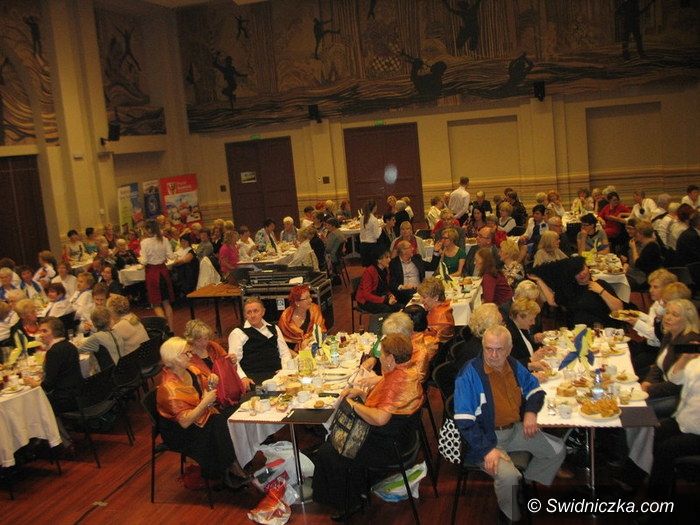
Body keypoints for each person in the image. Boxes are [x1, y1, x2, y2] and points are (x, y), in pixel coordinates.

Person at [454, 325, 565, 523]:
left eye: (499, 349)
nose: (493, 355)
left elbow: (535, 389)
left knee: (557, 450)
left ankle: (524, 483)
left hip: (513, 430)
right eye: (489, 349)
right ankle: (509, 515)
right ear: (483, 346)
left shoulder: (512, 365)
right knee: (509, 477)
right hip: (486, 439)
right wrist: (487, 450)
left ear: (509, 349)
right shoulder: (469, 374)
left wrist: (530, 412)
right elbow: (464, 422)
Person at [312, 333, 423, 520]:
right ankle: (359, 489)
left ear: (390, 358)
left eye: (382, 354)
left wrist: (353, 404)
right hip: (405, 436)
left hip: (389, 446)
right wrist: (362, 395)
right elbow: (388, 408)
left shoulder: (394, 382)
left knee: (329, 450)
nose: (380, 358)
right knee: (332, 444)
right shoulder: (407, 373)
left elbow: (380, 418)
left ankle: (349, 504)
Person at [156, 337, 245, 487]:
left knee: (228, 417)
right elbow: (185, 422)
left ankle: (230, 466)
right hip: (179, 432)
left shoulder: (190, 370)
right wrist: (205, 402)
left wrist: (211, 384)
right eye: (186, 353)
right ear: (174, 358)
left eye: (190, 352)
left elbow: (203, 393)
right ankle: (229, 468)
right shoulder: (168, 388)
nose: (191, 356)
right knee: (220, 425)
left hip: (199, 416)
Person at [641, 299, 699, 413]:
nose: (668, 318)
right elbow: (658, 365)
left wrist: (650, 389)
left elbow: (678, 383)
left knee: (638, 409)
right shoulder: (670, 334)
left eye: (675, 315)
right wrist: (648, 381)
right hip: (663, 386)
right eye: (667, 313)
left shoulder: (690, 342)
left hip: (679, 397)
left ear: (688, 320)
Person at [530, 256, 623, 328]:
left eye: (582, 269)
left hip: (601, 330)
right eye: (577, 273)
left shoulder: (600, 284)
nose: (581, 274)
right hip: (577, 332)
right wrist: (539, 280)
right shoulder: (570, 288)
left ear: (587, 267)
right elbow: (552, 302)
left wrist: (601, 291)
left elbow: (619, 309)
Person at [627, 272, 688, 377]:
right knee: (627, 354)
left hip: (657, 353)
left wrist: (637, 323)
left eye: (655, 287)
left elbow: (659, 340)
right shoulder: (660, 306)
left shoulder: (686, 334)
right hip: (656, 352)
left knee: (632, 368)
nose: (650, 290)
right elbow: (660, 335)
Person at [228, 298, 293, 388]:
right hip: (254, 378)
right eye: (249, 312)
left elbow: (285, 353)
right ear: (245, 315)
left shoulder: (274, 328)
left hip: (277, 375)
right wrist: (243, 377)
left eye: (256, 311)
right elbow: (233, 361)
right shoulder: (237, 333)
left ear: (263, 312)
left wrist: (284, 371)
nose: (252, 315)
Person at [25, 317, 82, 412]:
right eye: (40, 331)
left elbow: (48, 386)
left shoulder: (53, 352)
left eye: (44, 331)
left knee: (31, 405)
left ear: (55, 332)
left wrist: (34, 383)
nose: (41, 335)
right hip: (79, 394)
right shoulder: (70, 345)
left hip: (64, 400)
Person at [140, 220, 174, 328]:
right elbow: (171, 256)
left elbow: (144, 261)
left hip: (152, 273)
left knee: (156, 304)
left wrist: (140, 260)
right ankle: (171, 329)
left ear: (148, 229)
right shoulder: (164, 239)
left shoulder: (144, 242)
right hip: (163, 272)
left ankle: (165, 328)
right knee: (166, 303)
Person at [504, 298, 552, 375]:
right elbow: (510, 364)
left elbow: (528, 346)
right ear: (519, 317)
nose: (533, 323)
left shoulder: (522, 327)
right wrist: (531, 358)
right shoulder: (509, 335)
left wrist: (542, 349)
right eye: (531, 320)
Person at [278, 284, 326, 349]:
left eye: (310, 296)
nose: (311, 300)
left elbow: (321, 331)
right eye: (307, 298)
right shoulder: (285, 317)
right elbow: (281, 341)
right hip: (290, 350)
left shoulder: (314, 309)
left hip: (313, 346)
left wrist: (308, 340)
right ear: (297, 302)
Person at [417, 277, 455, 343]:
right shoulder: (441, 308)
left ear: (436, 298)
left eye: (424, 297)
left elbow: (430, 343)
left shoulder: (440, 317)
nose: (421, 301)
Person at [389, 240, 425, 305]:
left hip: (419, 289)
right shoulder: (394, 263)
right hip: (404, 292)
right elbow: (392, 283)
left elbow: (431, 266)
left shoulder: (417, 258)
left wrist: (436, 252)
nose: (413, 248)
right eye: (410, 247)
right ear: (403, 251)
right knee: (411, 295)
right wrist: (403, 287)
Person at [359, 200, 381, 267]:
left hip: (363, 245)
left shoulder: (362, 218)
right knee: (373, 267)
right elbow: (376, 236)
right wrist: (380, 229)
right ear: (374, 207)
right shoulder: (374, 219)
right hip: (371, 246)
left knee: (367, 268)